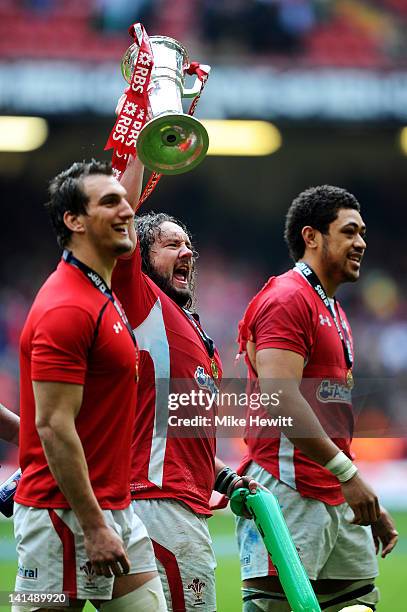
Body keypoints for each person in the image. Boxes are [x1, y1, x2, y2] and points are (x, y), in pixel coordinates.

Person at [235, 185, 398, 611]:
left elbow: (327, 415)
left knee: (358, 601)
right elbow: (279, 397)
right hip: (287, 486)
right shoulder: (287, 299)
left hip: (333, 487)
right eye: (348, 232)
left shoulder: (334, 309)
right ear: (312, 237)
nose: (360, 242)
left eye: (362, 232)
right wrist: (349, 475)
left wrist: (353, 484)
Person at [14, 160, 167, 611]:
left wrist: (144, 148)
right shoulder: (68, 308)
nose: (126, 210)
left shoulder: (99, 291)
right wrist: (94, 525)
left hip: (113, 509)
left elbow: (50, 421)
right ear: (74, 221)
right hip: (64, 515)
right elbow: (55, 426)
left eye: (125, 202)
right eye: (109, 202)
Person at [112, 156, 255, 612]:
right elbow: (118, 218)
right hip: (159, 508)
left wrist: (226, 478)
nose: (187, 253)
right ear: (142, 256)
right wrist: (141, 143)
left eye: (189, 244)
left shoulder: (195, 333)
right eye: (172, 244)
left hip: (173, 504)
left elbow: (174, 435)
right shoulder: (144, 303)